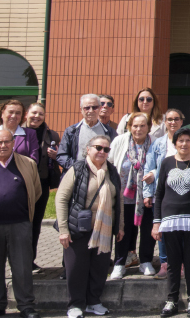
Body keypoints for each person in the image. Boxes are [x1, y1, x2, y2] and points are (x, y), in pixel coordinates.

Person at [0, 128, 43, 318]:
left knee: (21, 267)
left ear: (13, 143)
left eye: (7, 142)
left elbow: (36, 191)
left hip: (19, 223)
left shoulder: (28, 164)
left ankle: (26, 306)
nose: (3, 145)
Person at [56, 134, 123, 318]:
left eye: (106, 149)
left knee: (99, 268)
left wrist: (120, 226)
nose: (102, 152)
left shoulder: (112, 171)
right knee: (76, 267)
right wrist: (63, 229)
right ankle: (75, 305)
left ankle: (93, 301)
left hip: (104, 229)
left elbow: (119, 201)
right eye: (98, 148)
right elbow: (61, 199)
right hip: (78, 227)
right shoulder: (77, 168)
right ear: (88, 149)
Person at [150, 127, 190, 317]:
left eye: (187, 140)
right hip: (169, 221)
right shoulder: (167, 162)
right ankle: (172, 300)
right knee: (173, 262)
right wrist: (156, 222)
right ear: (174, 143)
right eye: (180, 141)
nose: (184, 144)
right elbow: (159, 193)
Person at [108, 112, 158, 279]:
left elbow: (160, 165)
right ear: (129, 127)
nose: (139, 129)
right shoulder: (120, 141)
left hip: (147, 196)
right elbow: (110, 163)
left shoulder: (154, 143)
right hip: (124, 195)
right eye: (135, 125)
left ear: (148, 127)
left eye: (142, 125)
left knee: (147, 230)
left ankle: (145, 261)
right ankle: (120, 263)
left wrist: (153, 174)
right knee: (123, 230)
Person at [146, 108, 190, 278]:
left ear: (182, 121)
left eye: (176, 119)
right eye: (169, 119)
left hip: (186, 195)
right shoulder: (158, 143)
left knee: (181, 231)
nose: (173, 122)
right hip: (164, 195)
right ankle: (165, 264)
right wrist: (147, 193)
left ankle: (180, 264)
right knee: (163, 230)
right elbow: (150, 166)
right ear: (165, 122)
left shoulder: (189, 141)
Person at [25, 102, 60, 272]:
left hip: (42, 182)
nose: (37, 117)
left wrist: (56, 156)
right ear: (26, 114)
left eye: (40, 114)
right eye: (34, 113)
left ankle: (30, 259)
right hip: (22, 184)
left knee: (36, 223)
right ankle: (17, 261)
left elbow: (58, 158)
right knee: (22, 223)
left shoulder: (52, 135)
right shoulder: (18, 133)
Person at [59, 94, 119, 172]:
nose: (91, 111)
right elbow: (62, 156)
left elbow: (115, 155)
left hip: (101, 175)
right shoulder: (71, 131)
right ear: (81, 110)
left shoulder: (109, 131)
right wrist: (78, 168)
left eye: (94, 107)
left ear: (100, 108)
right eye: (87, 108)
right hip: (76, 175)